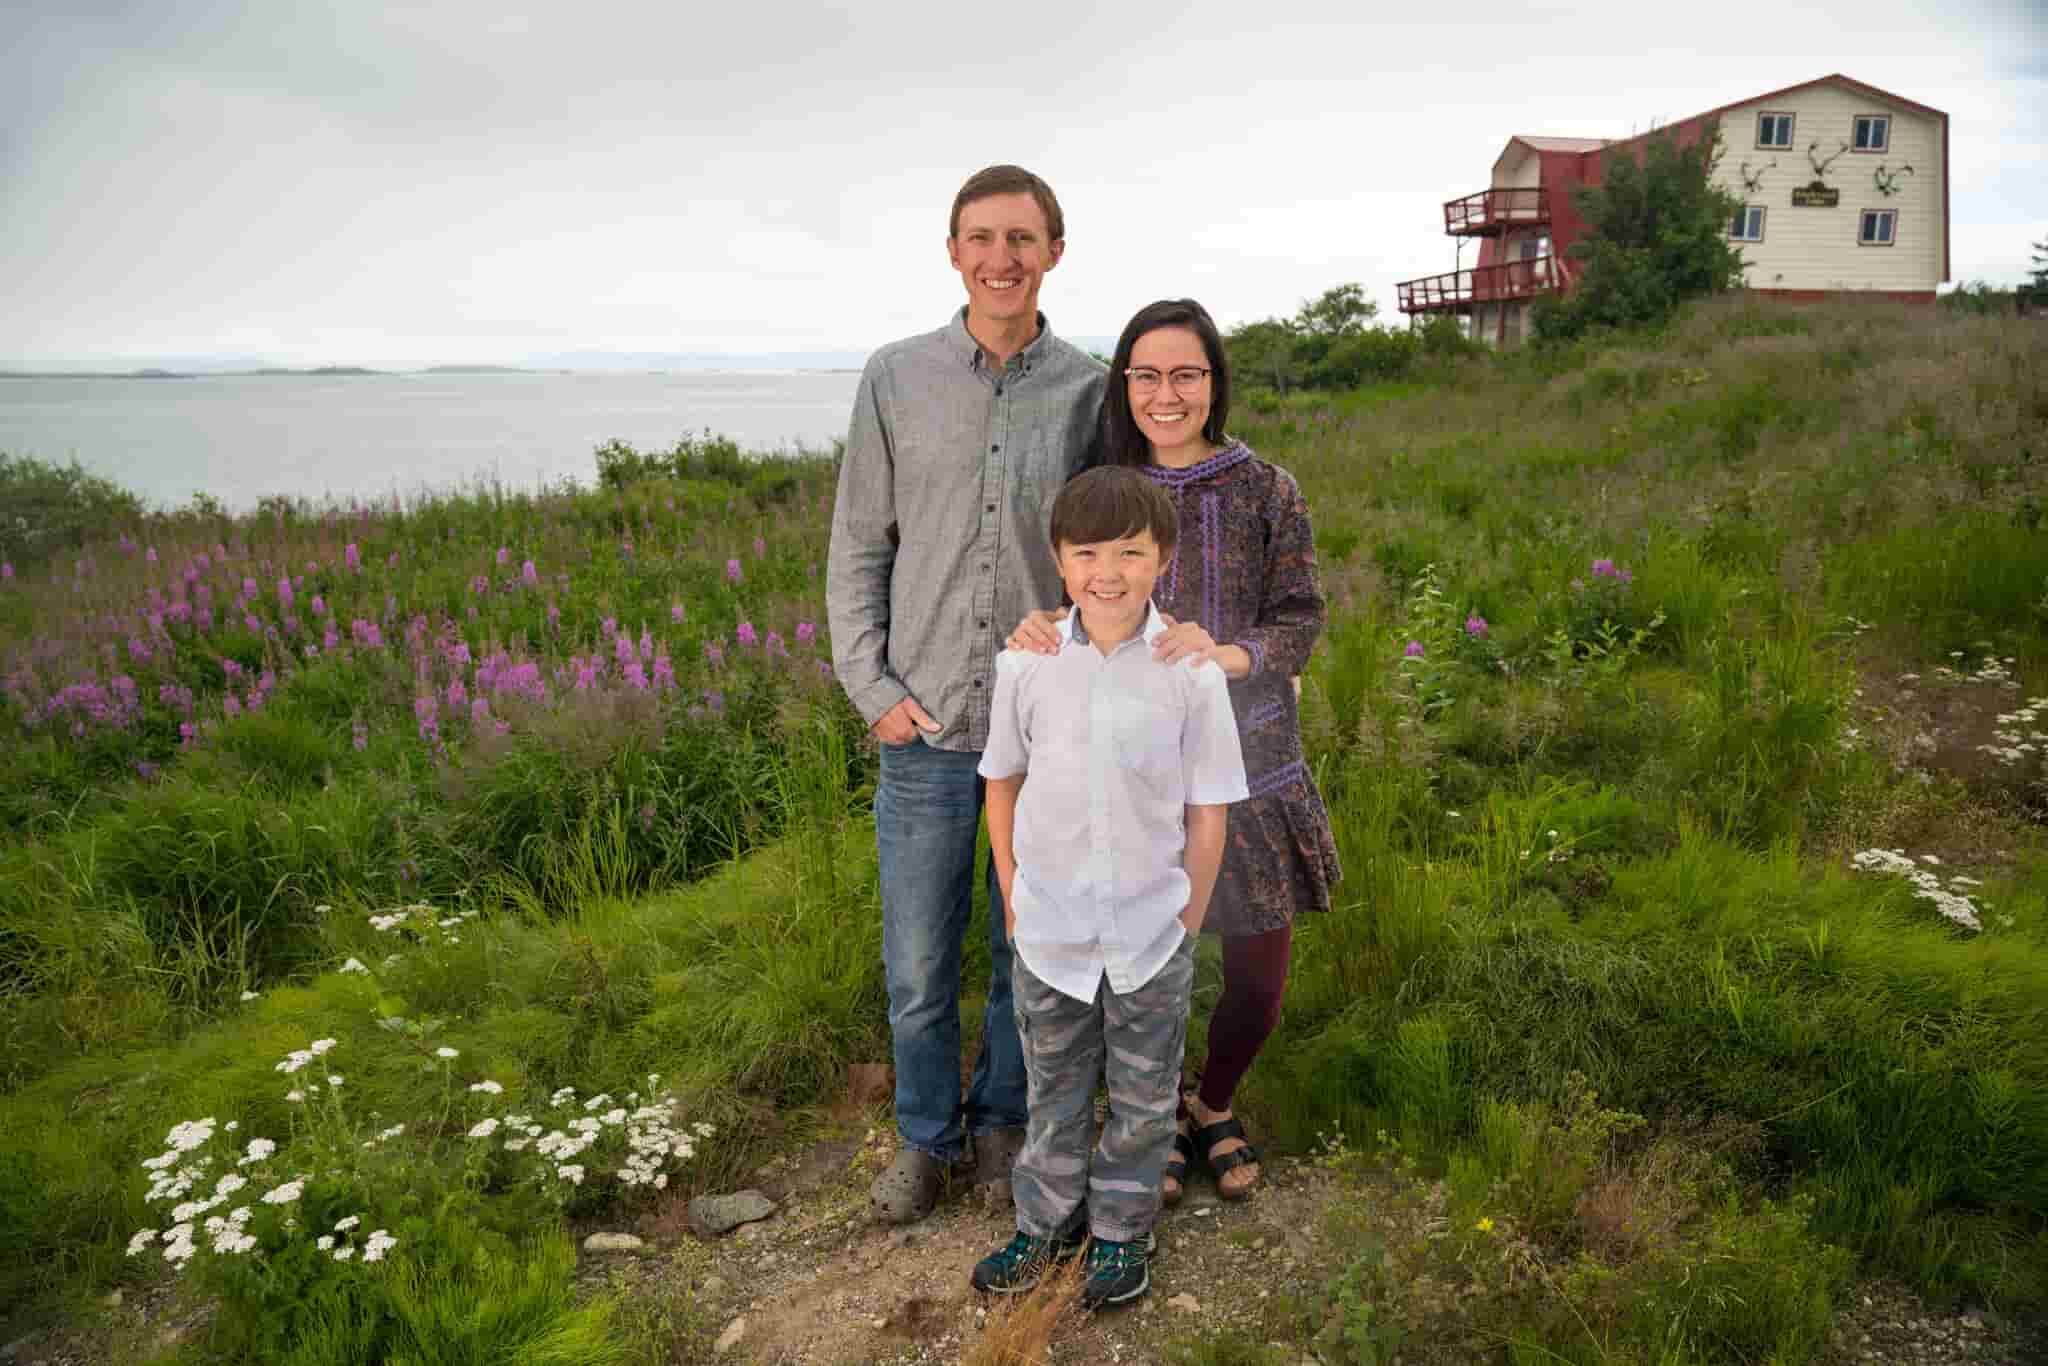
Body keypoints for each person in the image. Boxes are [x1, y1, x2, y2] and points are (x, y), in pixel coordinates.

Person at [1007, 298, 1338, 1204]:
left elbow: (1301, 617)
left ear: (1214, 383)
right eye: (1147, 375)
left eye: (1186, 373)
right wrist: (1041, 625)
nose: (1166, 393)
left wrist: (1227, 655)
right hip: (1125, 782)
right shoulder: (1101, 486)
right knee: (1133, 969)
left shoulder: (1268, 488)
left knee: (1256, 977)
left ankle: (1213, 1101)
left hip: (1252, 766)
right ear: (1125, 384)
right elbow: (1067, 591)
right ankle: (1145, 1116)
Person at [826, 166, 1108, 1224]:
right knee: (917, 963)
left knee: (1023, 951)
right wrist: (874, 688)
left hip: (1043, 736)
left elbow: (1110, 555)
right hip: (927, 727)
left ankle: (1000, 1128)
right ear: (952, 252)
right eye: (982, 237)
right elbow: (859, 544)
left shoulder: (1088, 388)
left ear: (1053, 252)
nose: (1003, 257)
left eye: (1022, 238)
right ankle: (921, 1138)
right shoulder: (894, 378)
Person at [969, 466, 1247, 1308]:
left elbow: (1207, 812)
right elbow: (1003, 784)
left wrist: (1186, 918)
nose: (1109, 572)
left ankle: (1123, 1234)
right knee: (1052, 1088)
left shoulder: (1189, 672)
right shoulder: (1029, 663)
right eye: (1087, 552)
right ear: (1059, 560)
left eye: (1130, 551)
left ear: (1161, 558)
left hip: (1150, 932)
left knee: (1143, 1092)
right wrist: (1015, 894)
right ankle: (1044, 1225)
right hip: (1049, 930)